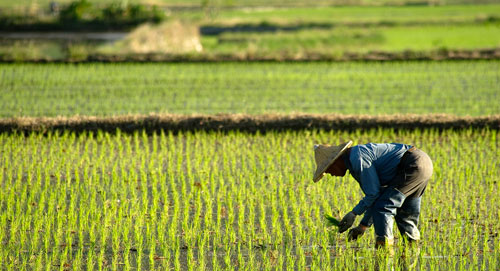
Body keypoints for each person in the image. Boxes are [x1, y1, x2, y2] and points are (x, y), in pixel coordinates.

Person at [313, 141, 433, 249]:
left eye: (327, 170)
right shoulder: (356, 156)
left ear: (335, 161)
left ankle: (385, 252)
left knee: (384, 207)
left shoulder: (357, 159)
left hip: (411, 165)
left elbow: (373, 195)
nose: (330, 174)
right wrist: (362, 226)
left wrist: (354, 213)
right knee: (405, 215)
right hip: (423, 163)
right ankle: (413, 251)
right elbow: (376, 197)